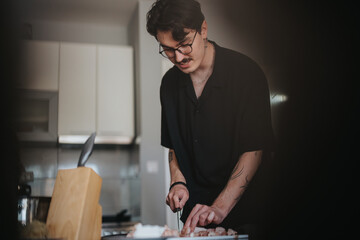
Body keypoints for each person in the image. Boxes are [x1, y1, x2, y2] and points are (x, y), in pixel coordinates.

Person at [146, 0, 274, 236]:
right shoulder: (169, 84)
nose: (178, 56)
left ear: (203, 29)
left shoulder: (246, 73)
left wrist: (219, 208)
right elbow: (174, 146)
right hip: (194, 219)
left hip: (246, 215)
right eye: (168, 49)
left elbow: (255, 149)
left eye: (184, 44)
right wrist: (178, 182)